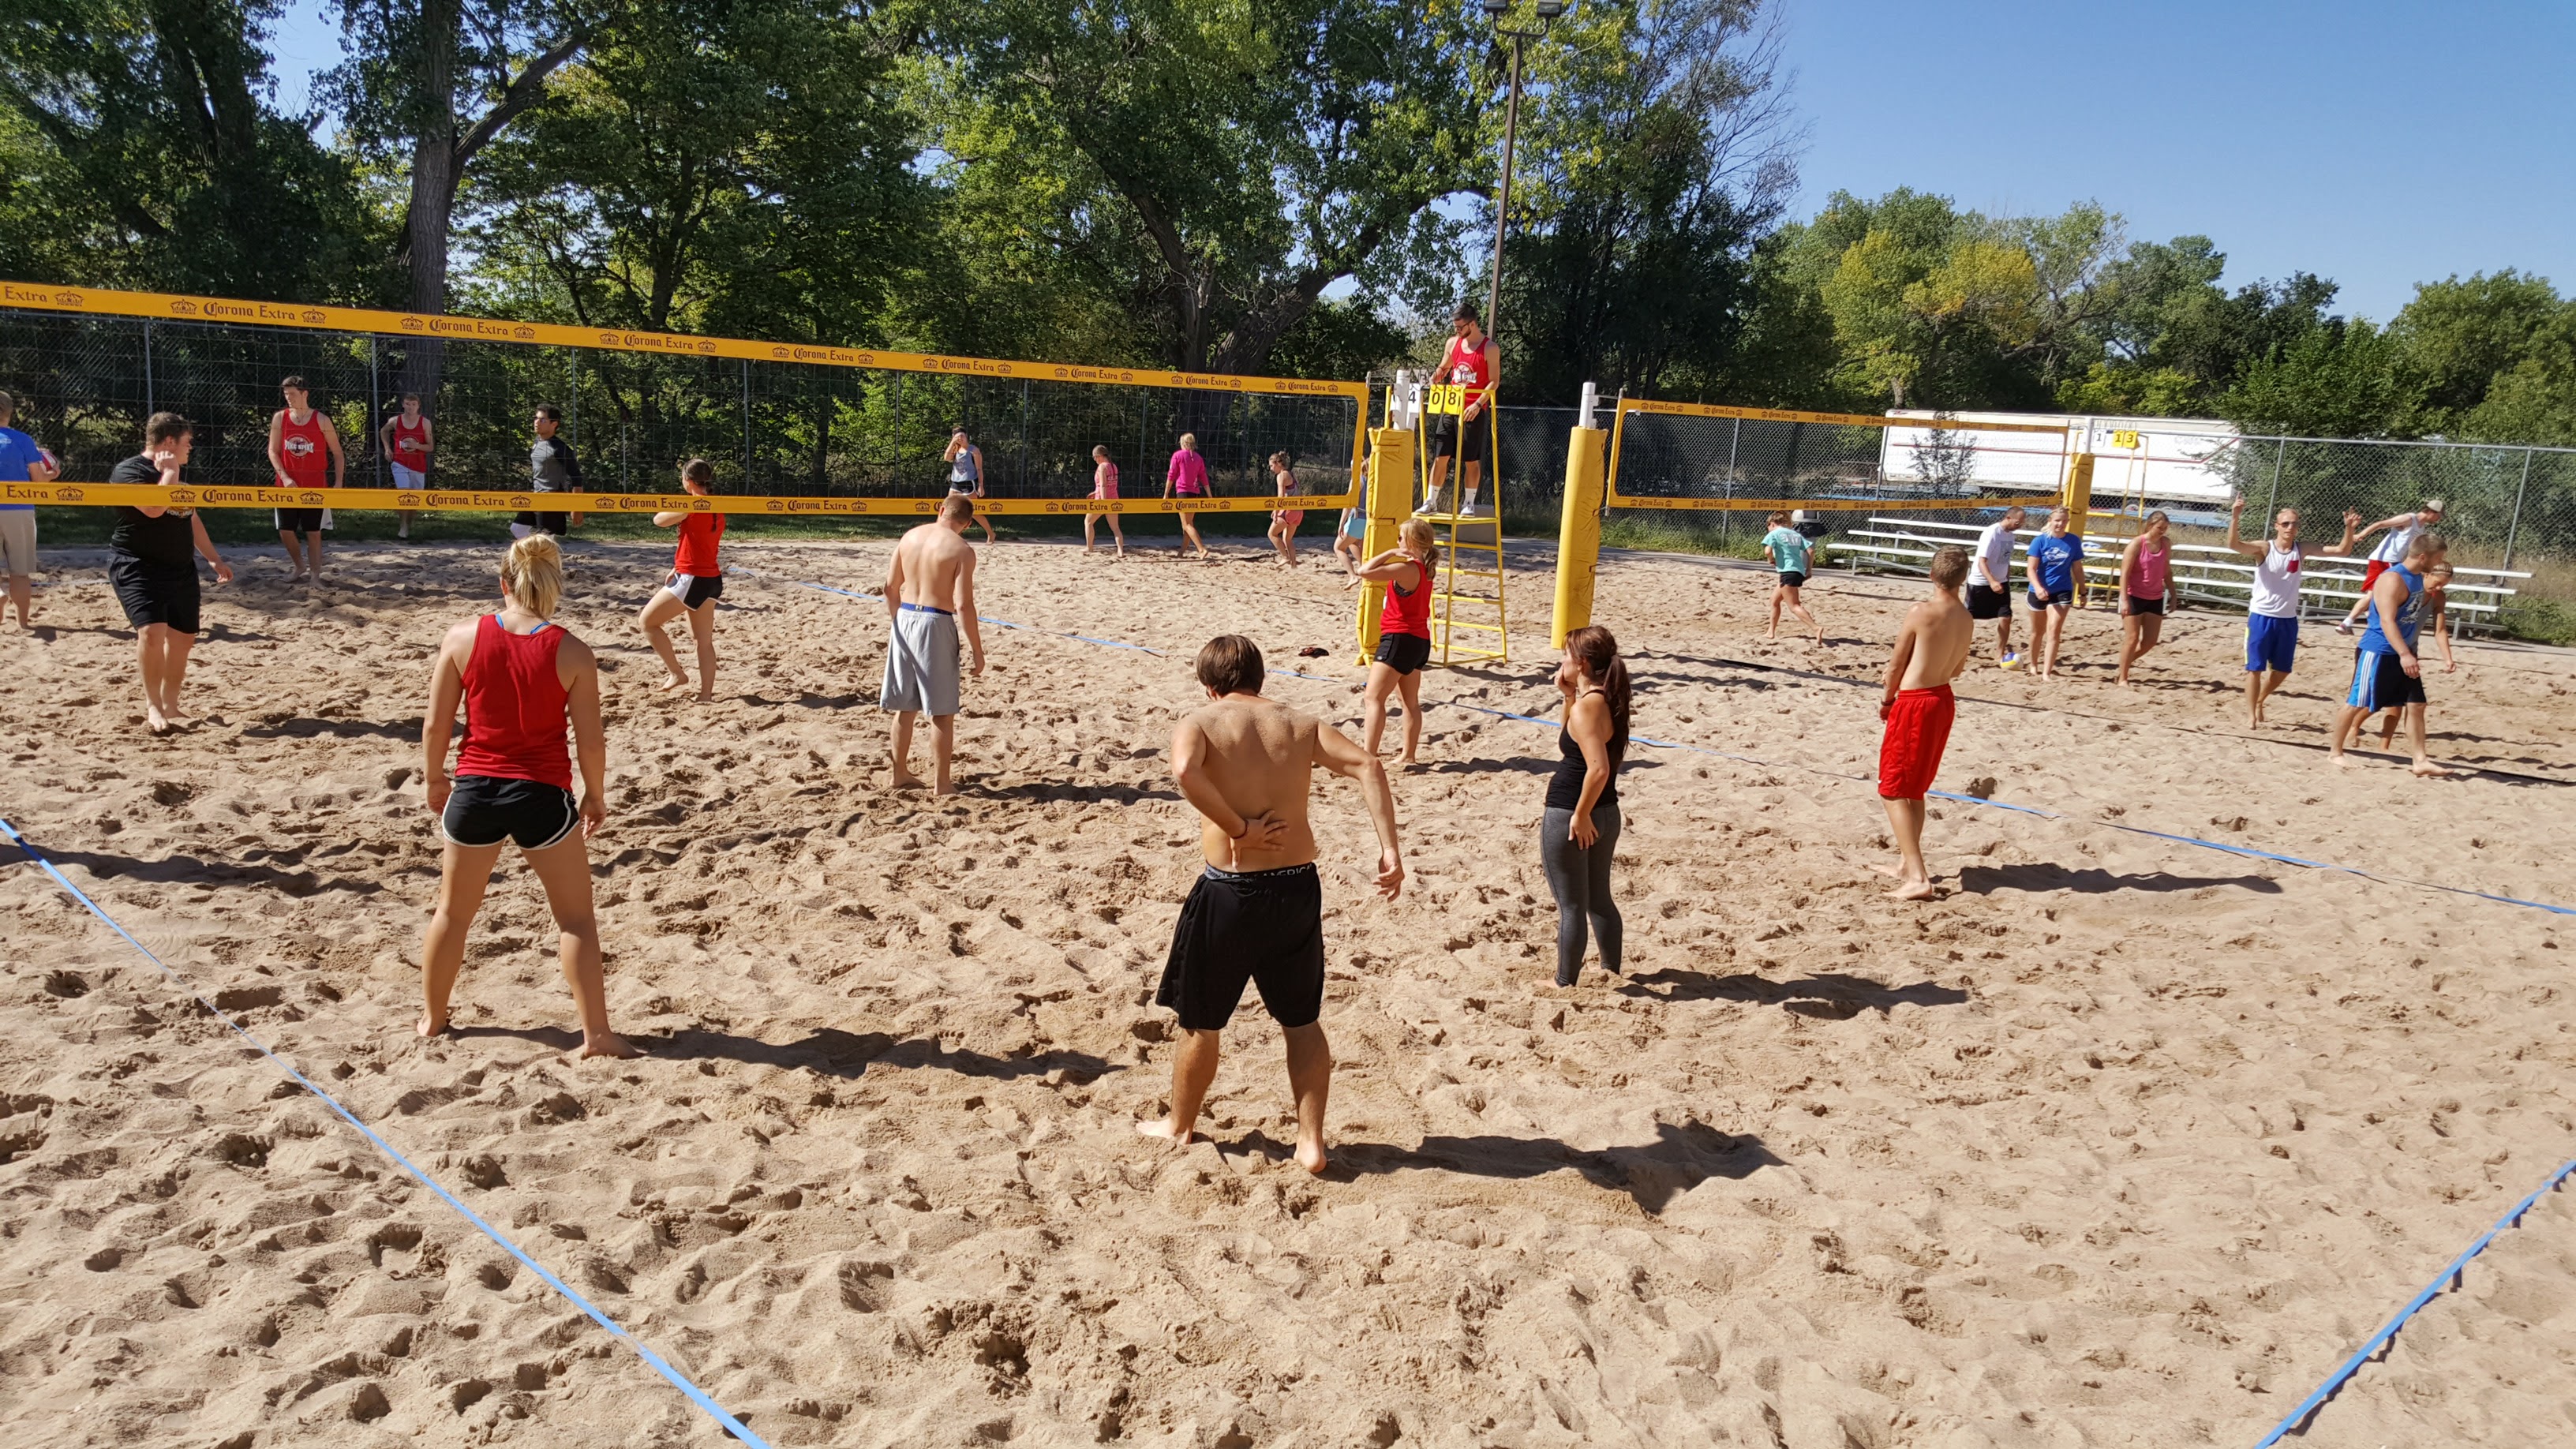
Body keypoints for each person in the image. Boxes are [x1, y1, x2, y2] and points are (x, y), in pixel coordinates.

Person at [1137, 634, 1404, 1176]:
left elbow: (1185, 771)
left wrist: (1239, 828)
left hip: (1231, 890)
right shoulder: (1299, 725)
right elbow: (1369, 766)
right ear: (1259, 678)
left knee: (1202, 1021)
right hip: (1296, 888)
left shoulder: (1201, 722)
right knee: (1301, 1021)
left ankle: (1180, 1124)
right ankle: (1310, 1144)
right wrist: (1389, 849)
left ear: (1210, 687)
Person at [417, 534, 634, 1058]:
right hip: (541, 795)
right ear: (554, 586)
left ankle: (433, 1019)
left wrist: (435, 780)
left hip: (474, 789)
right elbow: (591, 742)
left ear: (503, 583)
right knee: (576, 920)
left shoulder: (461, 637)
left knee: (452, 914)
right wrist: (595, 796)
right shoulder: (573, 651)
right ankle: (597, 1035)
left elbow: (435, 726)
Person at [108, 414, 234, 733]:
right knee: (152, 633)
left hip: (180, 569)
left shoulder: (176, 476)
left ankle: (171, 704)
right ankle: (153, 707)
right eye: (187, 442)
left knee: (183, 639)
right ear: (168, 443)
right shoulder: (129, 472)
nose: (190, 447)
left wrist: (214, 559)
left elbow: (190, 517)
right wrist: (170, 473)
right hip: (137, 564)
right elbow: (153, 508)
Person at [1874, 547, 1975, 900]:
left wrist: (1888, 700)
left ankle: (1918, 876)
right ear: (1963, 579)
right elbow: (1958, 668)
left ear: (1931, 575)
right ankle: (1906, 863)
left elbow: (1895, 665)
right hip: (1943, 699)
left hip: (1916, 702)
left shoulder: (1921, 612)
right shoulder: (1966, 617)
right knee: (1914, 787)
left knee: (1891, 788)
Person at [2221, 493, 2362, 728]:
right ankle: (2251, 715)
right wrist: (2235, 517)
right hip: (2261, 616)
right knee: (2254, 668)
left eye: (2294, 523)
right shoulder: (2264, 548)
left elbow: (2342, 551)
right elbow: (2234, 545)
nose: (2290, 527)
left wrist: (2348, 529)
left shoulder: (2302, 548)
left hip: (2287, 619)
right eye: (2285, 523)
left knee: (2282, 670)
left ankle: (2260, 701)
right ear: (2277, 526)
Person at [882, 492, 987, 794]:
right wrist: (977, 651)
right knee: (941, 711)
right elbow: (964, 605)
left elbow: (890, 587)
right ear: (966, 524)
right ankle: (942, 784)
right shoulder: (962, 549)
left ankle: (899, 773)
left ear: (940, 510)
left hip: (905, 617)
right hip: (935, 620)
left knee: (905, 707)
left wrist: (896, 622)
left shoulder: (910, 537)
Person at [1542, 625, 1630, 987]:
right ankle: (1611, 971)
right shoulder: (1605, 699)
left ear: (1580, 663)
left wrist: (1579, 816)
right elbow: (1577, 742)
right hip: (1607, 811)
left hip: (1573, 810)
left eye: (1566, 655)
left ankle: (1565, 982)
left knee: (1571, 904)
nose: (1561, 661)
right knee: (1599, 899)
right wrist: (1567, 698)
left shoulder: (1588, 708)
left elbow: (1598, 768)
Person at [2329, 534, 2453, 777]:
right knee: (2357, 701)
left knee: (2416, 704)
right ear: (2422, 557)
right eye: (2438, 557)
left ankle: (2420, 760)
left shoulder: (2418, 578)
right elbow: (2386, 621)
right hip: (2379, 650)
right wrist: (2405, 654)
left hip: (2403, 651)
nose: (2440, 562)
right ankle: (2335, 752)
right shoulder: (2392, 579)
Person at [638, 458, 724, 700]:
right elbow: (698, 542)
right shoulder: (718, 504)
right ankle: (706, 696)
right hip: (711, 578)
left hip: (694, 579)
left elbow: (658, 520)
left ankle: (677, 673)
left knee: (647, 623)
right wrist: (677, 565)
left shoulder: (692, 504)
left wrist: (684, 503)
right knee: (704, 642)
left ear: (687, 481)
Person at [1354, 517, 1438, 764]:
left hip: (1399, 638)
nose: (1397, 541)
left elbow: (1363, 571)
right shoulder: (1426, 568)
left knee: (1373, 698)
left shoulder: (1406, 568)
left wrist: (1390, 552)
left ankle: (1369, 755)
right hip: (1420, 640)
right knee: (1410, 702)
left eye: (1400, 538)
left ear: (1410, 542)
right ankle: (1408, 755)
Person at [267, 375, 345, 582]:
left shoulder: (321, 420)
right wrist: (283, 476)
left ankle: (315, 575)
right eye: (286, 394)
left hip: (315, 486)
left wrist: (338, 483)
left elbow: (337, 453)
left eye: (292, 394)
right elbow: (273, 451)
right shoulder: (280, 418)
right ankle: (299, 567)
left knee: (314, 532)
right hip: (287, 486)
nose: (288, 398)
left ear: (305, 394)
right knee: (285, 530)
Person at [1425, 304, 1497, 516]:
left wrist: (1478, 404)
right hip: (1450, 405)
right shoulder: (1453, 343)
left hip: (1473, 409)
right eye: (1455, 326)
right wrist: (1436, 375)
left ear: (1472, 324)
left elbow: (1494, 381)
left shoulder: (1489, 348)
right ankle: (1431, 500)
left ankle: (1468, 503)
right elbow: (1445, 366)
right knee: (1441, 455)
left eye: (1460, 326)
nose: (1457, 330)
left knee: (1470, 459)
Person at [2379, 560, 2458, 747]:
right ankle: (2353, 729)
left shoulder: (2438, 597)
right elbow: (2383, 616)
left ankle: (2384, 746)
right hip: (2387, 648)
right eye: (2437, 583)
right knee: (2372, 702)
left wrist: (2448, 658)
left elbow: (2439, 630)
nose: (2438, 588)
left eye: (2444, 585)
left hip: (2410, 652)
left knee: (2406, 703)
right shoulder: (2407, 588)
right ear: (2426, 574)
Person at [2338, 499, 2445, 635]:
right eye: (2438, 515)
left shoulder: (2421, 527)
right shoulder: (2409, 519)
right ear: (2431, 511)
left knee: (2379, 595)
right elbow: (2381, 524)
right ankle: (2351, 621)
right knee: (2377, 595)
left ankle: (2355, 620)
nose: (2439, 519)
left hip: (2394, 561)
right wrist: (2361, 534)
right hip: (2385, 559)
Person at [0, 388, 58, 629]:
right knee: (20, 571)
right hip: (18, 508)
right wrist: (53, 473)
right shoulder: (23, 440)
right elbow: (38, 479)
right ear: (10, 413)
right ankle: (23, 623)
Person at [2022, 507, 2084, 680]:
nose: (2061, 524)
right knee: (2037, 631)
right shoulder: (2040, 541)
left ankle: (2047, 672)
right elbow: (2031, 569)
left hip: (2062, 590)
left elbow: (2078, 568)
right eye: (2058, 520)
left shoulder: (2073, 541)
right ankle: (2033, 665)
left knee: (2054, 630)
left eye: (2064, 521)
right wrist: (2039, 587)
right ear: (2050, 521)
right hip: (2038, 590)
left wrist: (2083, 591)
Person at [2114, 509, 2174, 686]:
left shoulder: (2166, 544)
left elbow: (2167, 570)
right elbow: (2124, 573)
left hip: (2155, 596)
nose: (2162, 531)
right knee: (2132, 638)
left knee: (2150, 641)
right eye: (2159, 527)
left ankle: (2123, 666)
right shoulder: (2136, 544)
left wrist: (2173, 593)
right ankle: (2123, 678)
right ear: (2150, 525)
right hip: (2134, 595)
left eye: (2165, 528)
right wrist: (2124, 599)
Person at [1968, 505, 2025, 666]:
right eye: (2017, 522)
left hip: (2001, 581)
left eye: (2021, 522)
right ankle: (1961, 648)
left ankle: (1999, 653)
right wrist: (1992, 581)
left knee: (2006, 617)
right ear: (2008, 518)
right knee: (1968, 619)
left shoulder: (2010, 536)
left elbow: (2005, 559)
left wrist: (2006, 577)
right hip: (1981, 582)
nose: (2020, 525)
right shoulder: (1992, 533)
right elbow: (1981, 561)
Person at [379, 391, 434, 541]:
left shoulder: (425, 423)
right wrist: (387, 448)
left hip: (418, 465)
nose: (410, 407)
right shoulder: (395, 421)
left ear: (418, 406)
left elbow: (430, 447)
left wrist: (416, 445)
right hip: (400, 463)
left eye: (413, 404)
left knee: (415, 500)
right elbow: (383, 430)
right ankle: (402, 526)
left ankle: (408, 526)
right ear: (403, 404)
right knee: (403, 494)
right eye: (408, 404)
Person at [1760, 509, 1822, 642]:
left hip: (1787, 572)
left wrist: (1771, 559)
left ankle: (1816, 628)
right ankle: (1771, 631)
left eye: (1768, 526)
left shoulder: (1774, 533)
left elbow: (1767, 551)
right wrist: (1809, 570)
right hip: (1798, 571)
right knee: (1774, 601)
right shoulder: (1795, 534)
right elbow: (1811, 551)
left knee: (1794, 606)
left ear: (1772, 523)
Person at [522, 404, 580, 539]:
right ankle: (534, 555)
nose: (537, 422)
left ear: (554, 424)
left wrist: (577, 508)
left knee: (545, 539)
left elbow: (577, 477)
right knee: (518, 528)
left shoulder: (560, 448)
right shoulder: (537, 441)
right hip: (536, 497)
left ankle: (544, 557)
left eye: (542, 420)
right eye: (535, 418)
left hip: (552, 498)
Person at [942, 427, 997, 545]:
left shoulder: (973, 450)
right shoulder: (955, 449)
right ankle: (954, 536)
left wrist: (981, 485)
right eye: (957, 437)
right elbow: (946, 458)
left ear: (967, 436)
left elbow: (979, 469)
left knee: (974, 512)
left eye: (962, 436)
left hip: (968, 484)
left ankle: (990, 533)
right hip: (955, 484)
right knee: (950, 509)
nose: (960, 438)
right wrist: (953, 442)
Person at [1164, 432, 1211, 560]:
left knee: (1186, 525)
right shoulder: (1198, 458)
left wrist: (1166, 493)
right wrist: (1210, 495)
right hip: (1195, 492)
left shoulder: (1177, 455)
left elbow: (1171, 475)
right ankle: (1181, 553)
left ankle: (1201, 549)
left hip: (1183, 492)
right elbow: (1204, 478)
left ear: (1183, 443)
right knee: (1188, 524)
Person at [1084, 444, 1125, 557]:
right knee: (1115, 528)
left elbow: (1103, 485)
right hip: (1114, 499)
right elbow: (1110, 484)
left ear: (1100, 456)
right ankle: (1120, 551)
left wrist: (1103, 501)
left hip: (1102, 500)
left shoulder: (1102, 467)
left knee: (1088, 521)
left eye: (1095, 457)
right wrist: (1095, 492)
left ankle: (1089, 547)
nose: (1094, 459)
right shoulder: (1113, 466)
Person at [1266, 451, 1303, 566]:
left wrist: (1276, 511)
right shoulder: (1291, 473)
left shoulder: (1281, 476)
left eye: (1272, 466)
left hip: (1289, 510)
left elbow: (1280, 497)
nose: (1271, 469)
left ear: (1278, 463)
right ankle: (1293, 566)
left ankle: (1284, 557)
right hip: (1299, 511)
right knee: (1288, 539)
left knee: (1272, 534)